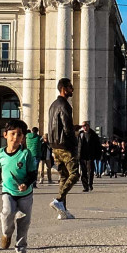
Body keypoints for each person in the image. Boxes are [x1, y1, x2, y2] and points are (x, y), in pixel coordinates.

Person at [0, 117, 40, 253]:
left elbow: (33, 173)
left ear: (23, 137)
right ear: (5, 135)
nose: (16, 137)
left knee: (24, 222)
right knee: (7, 212)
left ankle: (21, 250)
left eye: (19, 134)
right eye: (13, 133)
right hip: (8, 190)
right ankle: (6, 233)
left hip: (25, 193)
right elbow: (2, 168)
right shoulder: (0, 153)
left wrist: (26, 184)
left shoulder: (26, 154)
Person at [48, 79, 79, 220]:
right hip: (65, 146)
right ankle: (58, 200)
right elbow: (66, 127)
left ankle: (63, 211)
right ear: (64, 88)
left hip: (54, 145)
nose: (72, 89)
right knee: (74, 174)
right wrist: (74, 142)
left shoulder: (53, 105)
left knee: (63, 176)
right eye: (70, 87)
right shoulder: (65, 105)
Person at [78, 121, 100, 192]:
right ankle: (85, 186)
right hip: (82, 156)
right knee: (83, 172)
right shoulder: (80, 134)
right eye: (82, 126)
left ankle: (90, 184)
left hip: (90, 155)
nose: (83, 127)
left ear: (88, 126)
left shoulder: (93, 134)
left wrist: (98, 156)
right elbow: (77, 145)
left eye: (85, 125)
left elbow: (97, 146)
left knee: (90, 171)